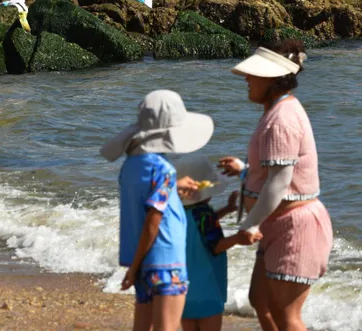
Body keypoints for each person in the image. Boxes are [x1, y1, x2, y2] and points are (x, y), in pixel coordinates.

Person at [218, 40, 333, 331]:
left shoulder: (281, 119)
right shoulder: (277, 111)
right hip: (278, 223)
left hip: (294, 226)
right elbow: (278, 173)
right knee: (262, 301)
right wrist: (245, 172)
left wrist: (250, 225)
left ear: (272, 80)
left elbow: (280, 182)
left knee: (286, 313)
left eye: (252, 75)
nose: (246, 79)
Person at [100, 90, 216, 331]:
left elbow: (142, 203)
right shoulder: (164, 170)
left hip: (143, 263)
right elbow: (153, 221)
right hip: (167, 261)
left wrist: (135, 266)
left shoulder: (130, 166)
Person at [173, 155, 242, 331]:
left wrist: (226, 210)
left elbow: (198, 228)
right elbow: (216, 245)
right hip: (208, 290)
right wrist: (238, 238)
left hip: (183, 289)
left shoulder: (177, 213)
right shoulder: (205, 214)